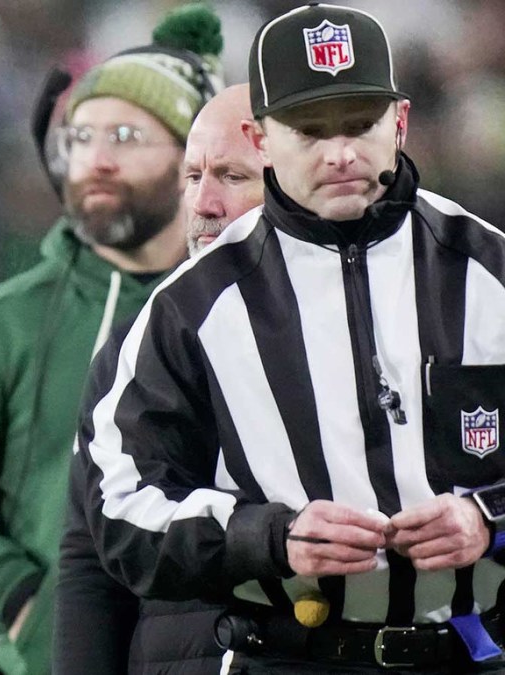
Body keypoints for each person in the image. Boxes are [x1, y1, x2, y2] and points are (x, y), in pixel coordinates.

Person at [81, 4, 505, 673]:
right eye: (309, 129)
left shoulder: (489, 270)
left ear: (399, 122)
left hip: (472, 651)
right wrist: (270, 537)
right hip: (287, 655)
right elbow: (120, 508)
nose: (340, 153)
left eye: (359, 125)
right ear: (262, 138)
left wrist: (490, 517)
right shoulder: (193, 305)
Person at [0, 5, 224, 673]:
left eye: (125, 135)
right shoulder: (2, 322)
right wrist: (17, 595)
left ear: (192, 157)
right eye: (81, 137)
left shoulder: (240, 310)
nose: (96, 159)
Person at [56, 83, 265, 675]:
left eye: (232, 175)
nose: (204, 204)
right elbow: (90, 562)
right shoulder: (134, 348)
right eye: (194, 177)